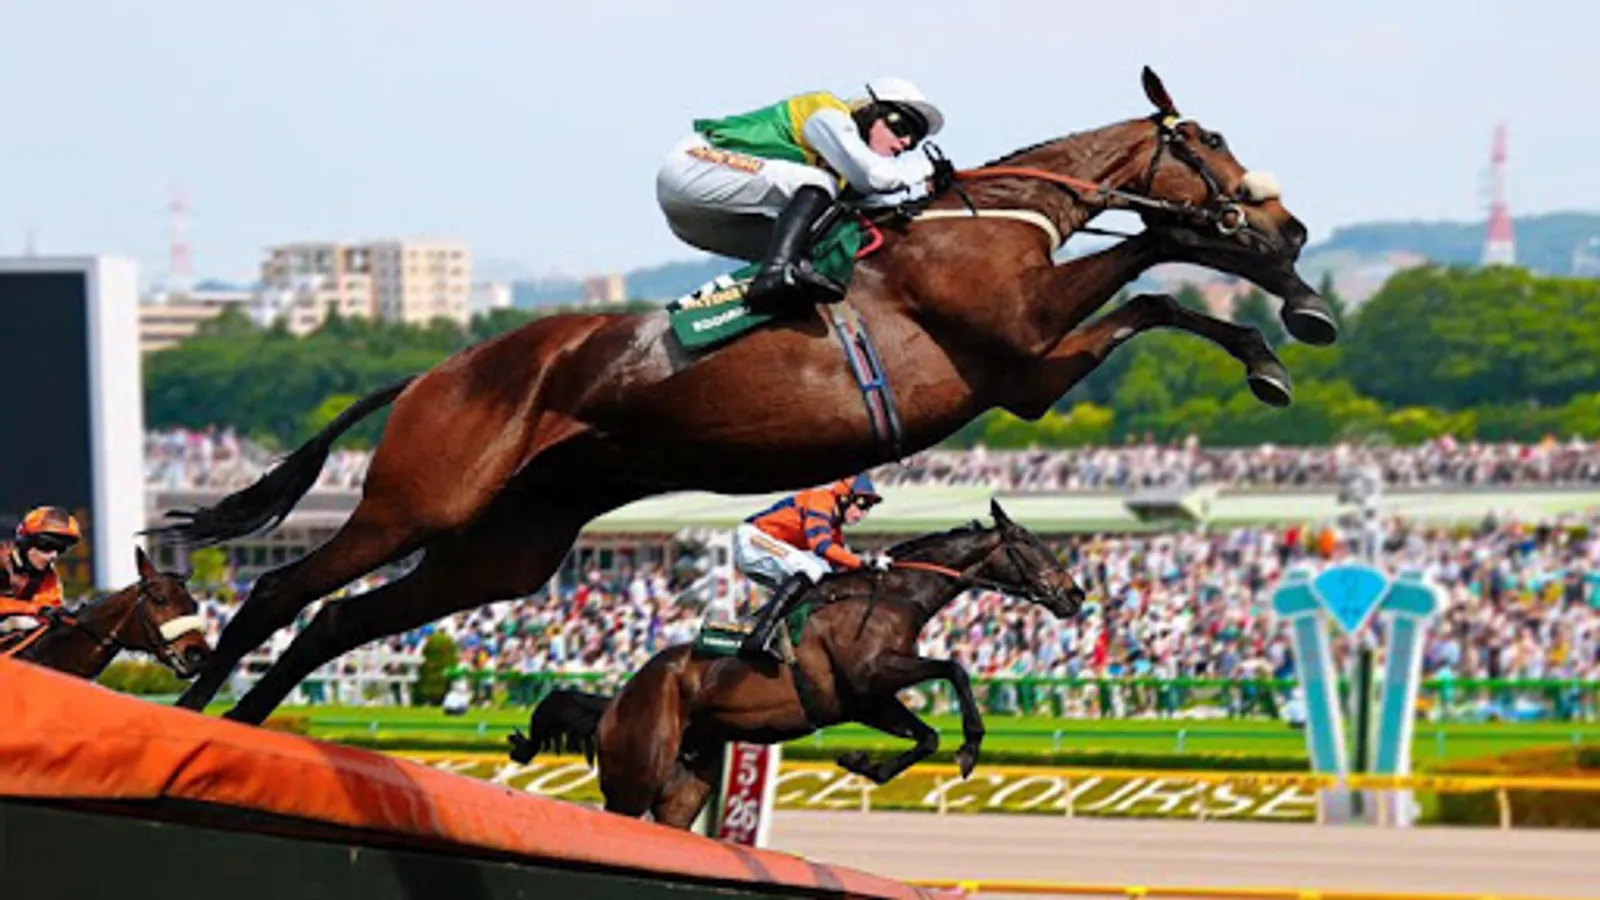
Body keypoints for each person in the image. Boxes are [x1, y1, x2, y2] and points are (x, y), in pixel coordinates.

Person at [656, 76, 954, 312]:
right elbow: (874, 177)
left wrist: (928, 196)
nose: (906, 142)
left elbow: (880, 204)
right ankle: (774, 274)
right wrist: (926, 167)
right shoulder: (828, 115)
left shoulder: (847, 172)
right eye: (902, 127)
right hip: (692, 166)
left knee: (836, 233)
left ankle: (775, 288)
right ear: (870, 110)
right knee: (818, 182)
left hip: (700, 223)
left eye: (915, 140)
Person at [732, 474, 889, 662]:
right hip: (753, 539)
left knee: (821, 578)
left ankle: (757, 626)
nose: (863, 514)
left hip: (764, 546)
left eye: (868, 508)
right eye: (862, 505)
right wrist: (864, 562)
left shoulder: (834, 526)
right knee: (812, 570)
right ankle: (758, 637)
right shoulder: (821, 501)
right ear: (845, 498)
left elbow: (838, 565)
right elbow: (821, 546)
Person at [0, 506, 82, 633]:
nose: (53, 555)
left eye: (60, 549)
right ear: (26, 543)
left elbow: (50, 607)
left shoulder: (47, 576)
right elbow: (37, 609)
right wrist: (33, 609)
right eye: (47, 546)